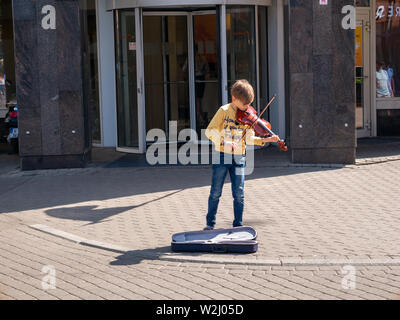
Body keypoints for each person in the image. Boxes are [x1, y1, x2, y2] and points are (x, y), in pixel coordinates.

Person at [203, 79, 279, 230]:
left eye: (249, 104)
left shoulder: (247, 115)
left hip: (239, 158)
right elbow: (209, 131)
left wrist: (266, 139)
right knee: (215, 192)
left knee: (239, 193)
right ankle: (210, 223)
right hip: (222, 156)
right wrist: (225, 142)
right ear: (234, 99)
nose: (247, 108)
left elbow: (249, 138)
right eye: (244, 104)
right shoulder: (223, 111)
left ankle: (238, 225)